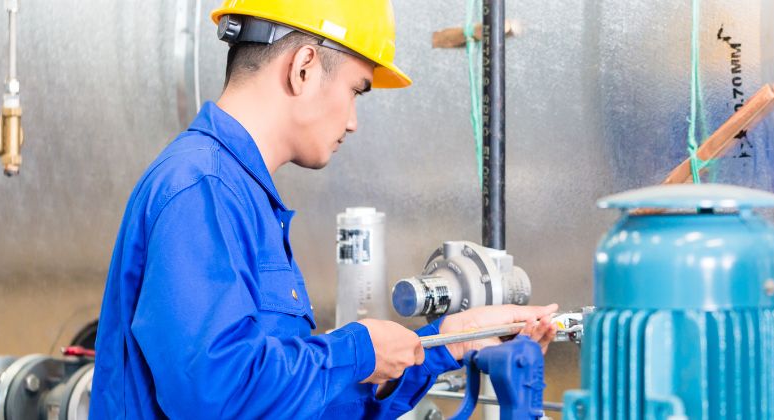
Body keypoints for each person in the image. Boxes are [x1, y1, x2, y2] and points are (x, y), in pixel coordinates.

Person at [89, 1, 557, 417]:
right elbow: (215, 396)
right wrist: (358, 350)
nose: (353, 122)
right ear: (305, 67)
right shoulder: (202, 188)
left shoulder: (239, 194)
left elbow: (296, 402)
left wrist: (452, 340)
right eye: (357, 90)